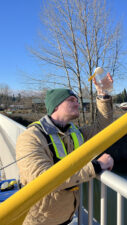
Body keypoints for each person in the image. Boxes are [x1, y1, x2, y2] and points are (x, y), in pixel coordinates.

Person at [16, 77, 114, 225]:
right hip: (40, 221)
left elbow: (102, 129)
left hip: (66, 217)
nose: (77, 103)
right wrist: (96, 166)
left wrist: (103, 93)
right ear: (55, 107)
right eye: (71, 100)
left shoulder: (73, 132)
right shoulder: (31, 137)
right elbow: (42, 180)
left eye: (77, 100)